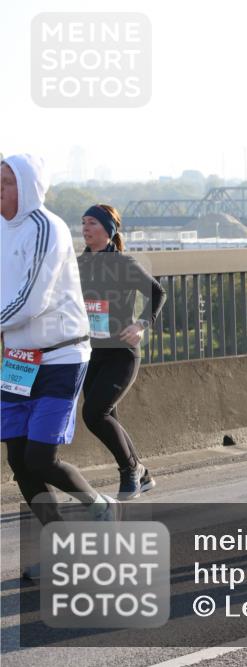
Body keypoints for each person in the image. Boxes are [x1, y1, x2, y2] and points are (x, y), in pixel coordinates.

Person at [1, 155, 118, 578]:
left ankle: (99, 505)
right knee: (18, 460)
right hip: (18, 359)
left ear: (28, 187)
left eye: (7, 182)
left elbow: (32, 299)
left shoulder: (45, 227)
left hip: (60, 355)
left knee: (41, 457)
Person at [78, 204, 165, 500]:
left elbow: (157, 292)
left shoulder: (122, 263)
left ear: (109, 230)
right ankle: (143, 473)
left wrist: (142, 324)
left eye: (92, 223)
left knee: (94, 413)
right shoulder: (78, 264)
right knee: (107, 417)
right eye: (83, 223)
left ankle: (130, 471)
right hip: (92, 353)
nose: (86, 228)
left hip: (122, 353)